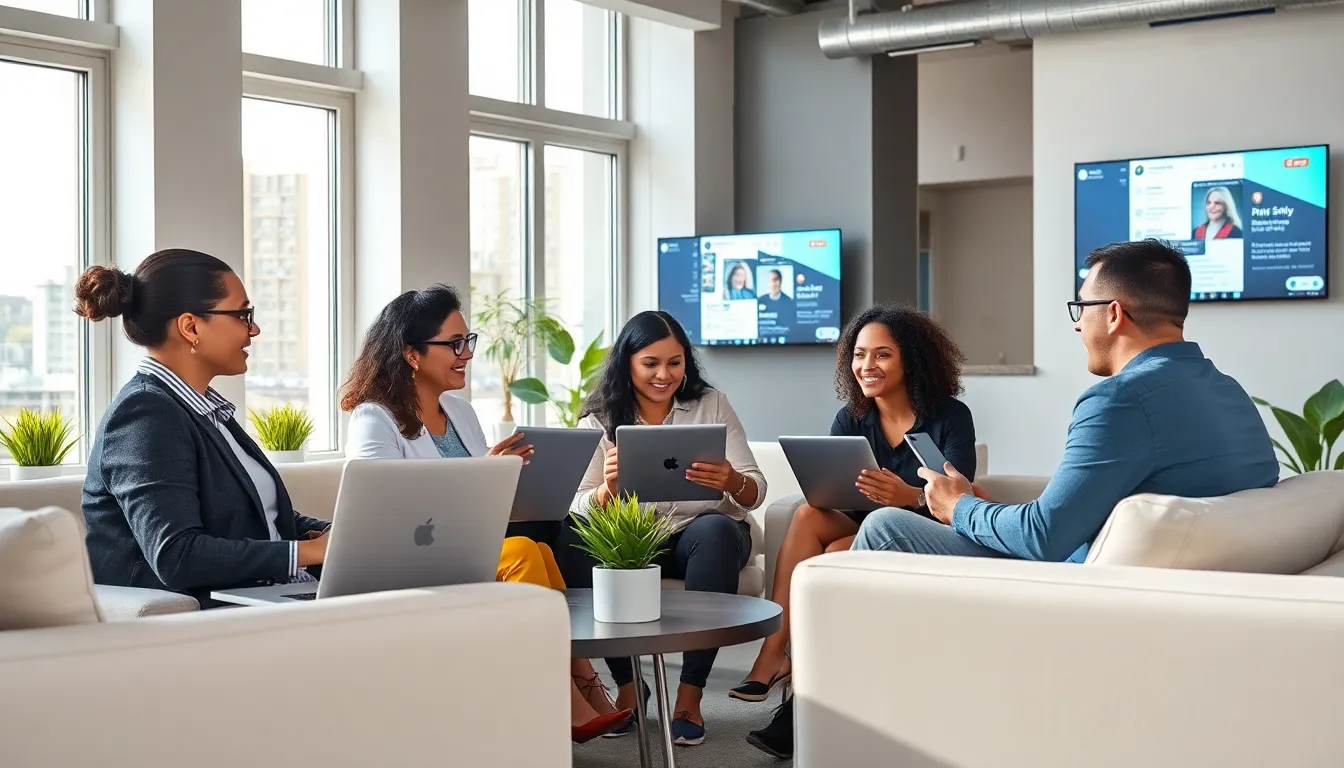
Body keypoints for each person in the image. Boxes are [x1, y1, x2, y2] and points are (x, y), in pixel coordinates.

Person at [853, 238, 1277, 560]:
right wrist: (978, 508)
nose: (1077, 326)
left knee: (884, 527)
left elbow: (1045, 537)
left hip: (1066, 589)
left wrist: (958, 506)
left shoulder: (1120, 400)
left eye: (1081, 308)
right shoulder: (1227, 390)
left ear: (1112, 314)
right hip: (1166, 584)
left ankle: (823, 676)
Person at [339, 284, 632, 743]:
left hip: (468, 547)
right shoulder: (374, 418)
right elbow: (388, 513)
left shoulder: (460, 411)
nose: (466, 354)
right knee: (521, 552)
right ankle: (569, 696)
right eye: (453, 344)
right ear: (411, 354)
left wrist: (511, 481)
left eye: (467, 341)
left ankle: (585, 686)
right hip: (412, 561)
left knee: (537, 546)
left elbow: (481, 506)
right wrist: (482, 474)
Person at [742, 305, 976, 759]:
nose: (867, 366)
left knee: (840, 548)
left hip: (922, 535)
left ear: (911, 359)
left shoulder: (950, 416)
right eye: (859, 354)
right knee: (810, 515)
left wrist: (907, 496)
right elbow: (835, 494)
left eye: (882, 355)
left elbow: (958, 500)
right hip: (863, 521)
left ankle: (800, 699)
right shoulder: (851, 418)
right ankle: (774, 653)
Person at [556, 310, 765, 746]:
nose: (664, 374)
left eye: (675, 362)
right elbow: (574, 504)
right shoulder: (599, 418)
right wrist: (606, 492)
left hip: (700, 534)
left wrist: (730, 480)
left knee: (716, 532)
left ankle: (689, 694)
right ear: (627, 362)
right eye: (651, 363)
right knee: (571, 538)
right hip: (632, 542)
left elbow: (755, 489)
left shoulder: (712, 404)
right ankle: (631, 684)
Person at [78, 249, 331, 608]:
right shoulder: (146, 414)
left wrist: (338, 533)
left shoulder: (205, 409)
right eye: (243, 315)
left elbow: (258, 516)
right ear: (191, 326)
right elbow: (177, 555)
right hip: (209, 612)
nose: (254, 329)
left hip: (263, 595)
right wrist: (306, 552)